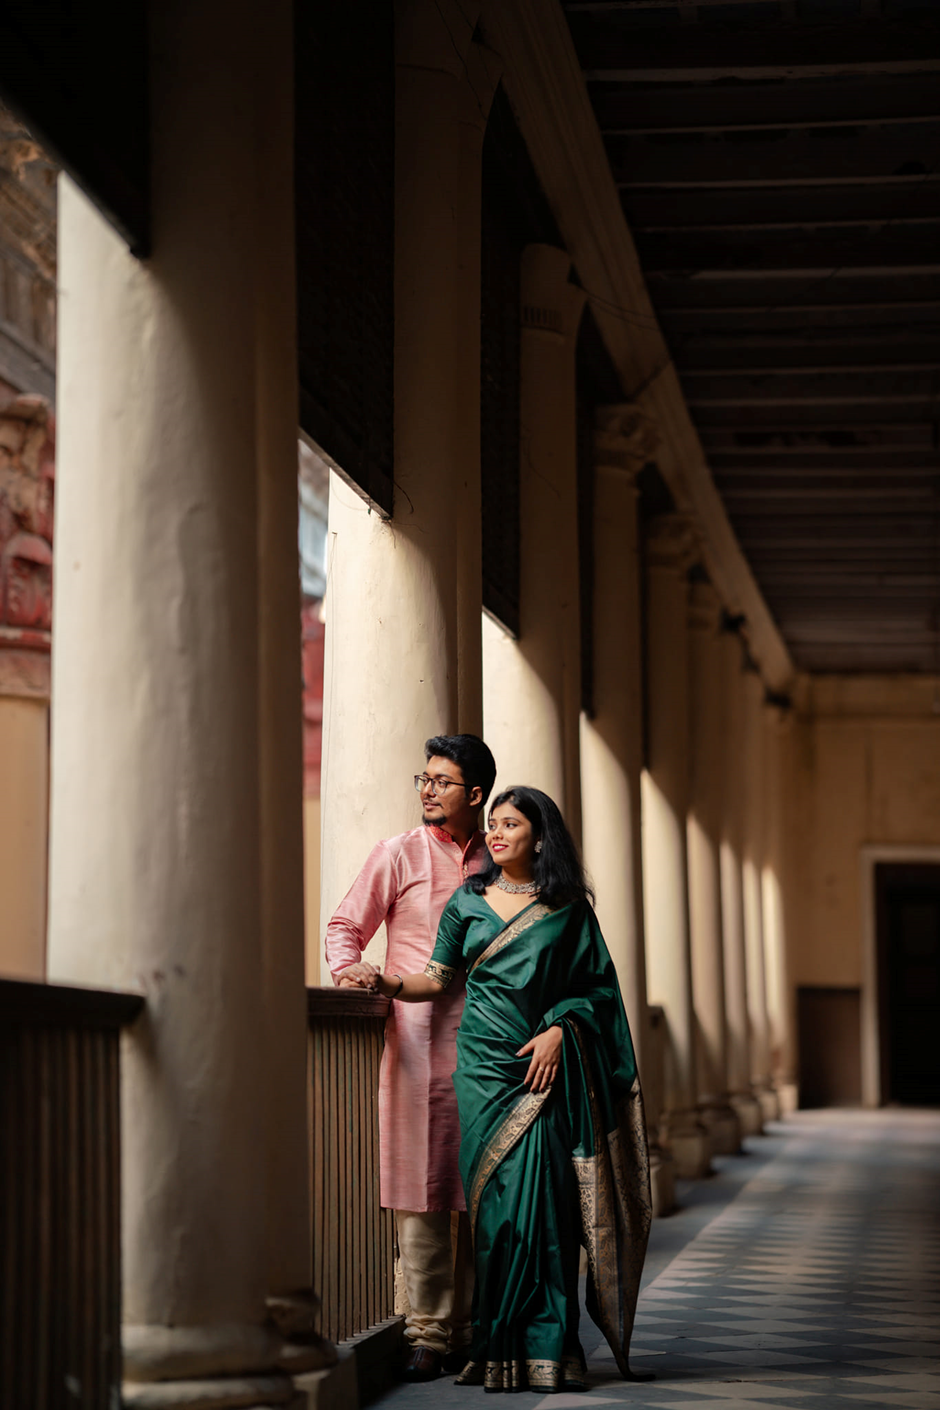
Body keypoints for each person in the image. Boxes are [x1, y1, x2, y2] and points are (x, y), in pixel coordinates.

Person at [343, 785, 652, 1394]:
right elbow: (435, 980)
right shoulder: (467, 903)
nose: (497, 833)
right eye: (493, 824)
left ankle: (549, 1350)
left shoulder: (568, 910)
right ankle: (497, 1351)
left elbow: (599, 992)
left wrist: (563, 1028)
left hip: (545, 1074)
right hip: (484, 1070)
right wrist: (382, 980)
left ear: (540, 836)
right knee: (498, 1217)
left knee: (550, 1212)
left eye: (511, 824)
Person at [325, 733, 497, 1382]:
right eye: (421, 778)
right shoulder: (397, 854)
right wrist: (350, 972)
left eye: (441, 780)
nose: (427, 789)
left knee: (483, 1190)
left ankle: (478, 1327)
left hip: (492, 1047)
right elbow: (345, 927)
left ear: (474, 795)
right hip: (418, 1045)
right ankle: (428, 1333)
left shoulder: (500, 856)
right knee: (423, 1189)